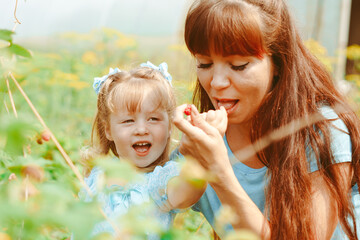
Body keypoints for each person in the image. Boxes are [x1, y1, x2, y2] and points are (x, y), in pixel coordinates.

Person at [172, 0, 360, 239]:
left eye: (238, 65)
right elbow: (138, 205)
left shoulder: (322, 131)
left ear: (278, 63)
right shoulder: (202, 138)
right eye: (204, 63)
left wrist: (219, 173)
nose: (217, 83)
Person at [77, 62, 227, 239]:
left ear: (170, 126)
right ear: (108, 129)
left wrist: (203, 148)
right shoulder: (97, 174)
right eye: (128, 121)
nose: (141, 129)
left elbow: (187, 190)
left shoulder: (158, 182)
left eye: (153, 119)